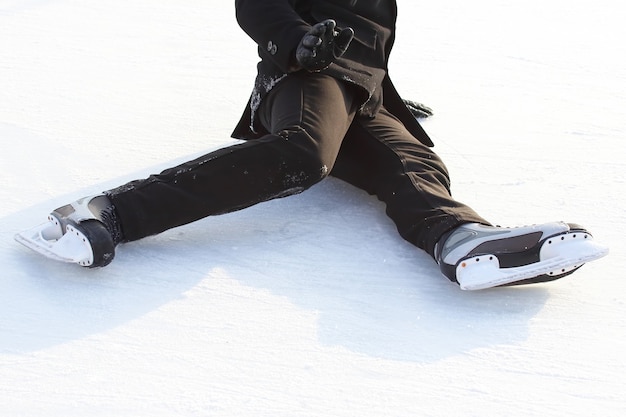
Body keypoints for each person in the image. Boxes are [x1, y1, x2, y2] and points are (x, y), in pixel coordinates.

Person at [16, 0, 607, 290]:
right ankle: (105, 214)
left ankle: (461, 241)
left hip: (365, 96)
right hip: (304, 77)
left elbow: (370, 43)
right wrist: (299, 43)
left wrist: (393, 102)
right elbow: (258, 4)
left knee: (415, 161)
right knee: (303, 154)